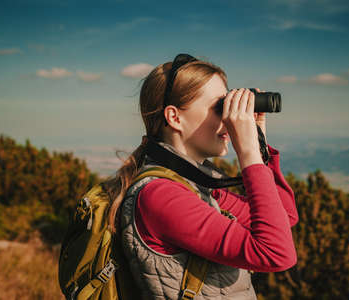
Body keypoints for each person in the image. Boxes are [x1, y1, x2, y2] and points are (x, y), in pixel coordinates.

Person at [106, 54, 298, 299]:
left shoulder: (197, 184)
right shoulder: (160, 196)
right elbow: (276, 253)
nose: (228, 119)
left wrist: (258, 142)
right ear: (174, 117)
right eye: (220, 107)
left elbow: (285, 217)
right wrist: (247, 151)